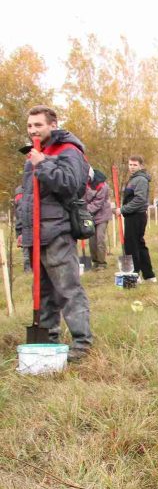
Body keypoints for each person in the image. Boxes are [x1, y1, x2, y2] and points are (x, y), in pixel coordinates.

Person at [16, 106, 92, 362]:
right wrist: (20, 230)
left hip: (57, 230)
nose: (33, 130)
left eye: (38, 125)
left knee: (68, 289)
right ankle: (48, 342)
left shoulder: (68, 151)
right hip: (36, 233)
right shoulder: (37, 153)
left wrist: (43, 164)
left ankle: (82, 344)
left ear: (53, 125)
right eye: (29, 126)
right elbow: (27, 197)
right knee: (44, 292)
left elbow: (71, 185)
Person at [114, 155, 156, 283]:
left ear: (141, 166)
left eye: (135, 165)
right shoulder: (133, 179)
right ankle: (149, 276)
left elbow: (139, 199)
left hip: (136, 215)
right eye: (130, 164)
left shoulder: (140, 180)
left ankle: (135, 274)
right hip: (133, 215)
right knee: (139, 244)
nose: (131, 167)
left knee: (132, 245)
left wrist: (122, 209)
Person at [84, 167, 112, 270]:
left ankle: (102, 263)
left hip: (102, 215)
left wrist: (84, 210)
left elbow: (98, 203)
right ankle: (94, 261)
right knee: (91, 240)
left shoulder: (102, 186)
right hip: (89, 215)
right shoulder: (83, 184)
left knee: (100, 238)